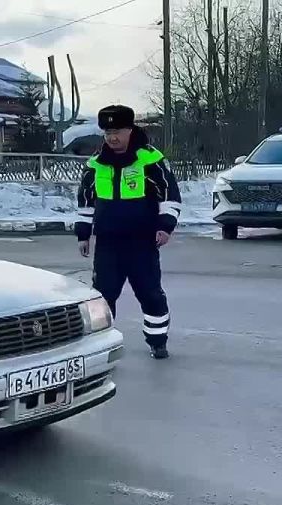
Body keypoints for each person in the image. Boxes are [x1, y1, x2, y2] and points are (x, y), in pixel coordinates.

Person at [75, 105, 182, 359]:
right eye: (108, 132)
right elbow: (85, 201)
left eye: (118, 131)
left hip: (141, 242)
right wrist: (83, 234)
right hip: (108, 243)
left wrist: (165, 226)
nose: (113, 137)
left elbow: (170, 196)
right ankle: (100, 345)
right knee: (102, 297)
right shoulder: (96, 164)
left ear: (130, 129)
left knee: (150, 294)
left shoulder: (150, 160)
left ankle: (158, 341)